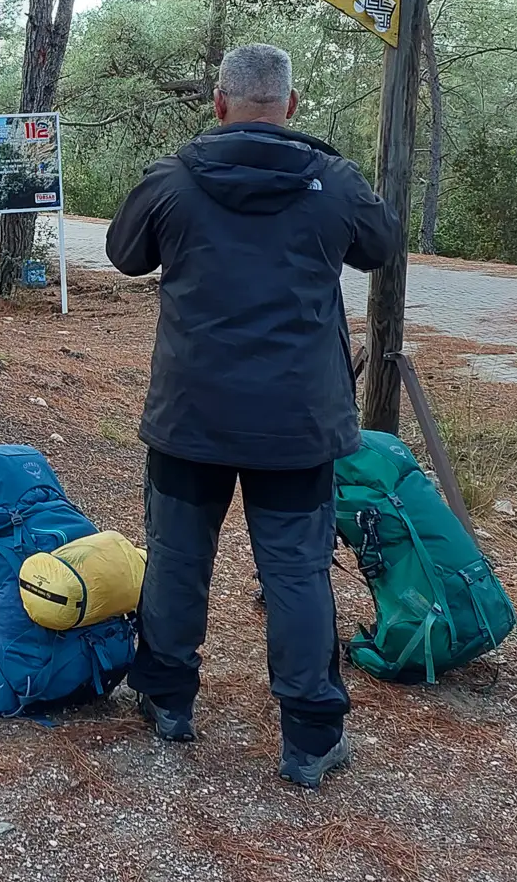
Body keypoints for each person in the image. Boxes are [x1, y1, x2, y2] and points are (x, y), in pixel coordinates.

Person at [105, 43, 398, 789]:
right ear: (290, 106)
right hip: (294, 424)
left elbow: (123, 254)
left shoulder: (173, 178)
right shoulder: (332, 183)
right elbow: (382, 245)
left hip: (191, 417)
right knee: (297, 572)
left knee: (176, 557)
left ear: (220, 101)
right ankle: (309, 737)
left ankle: (167, 700)